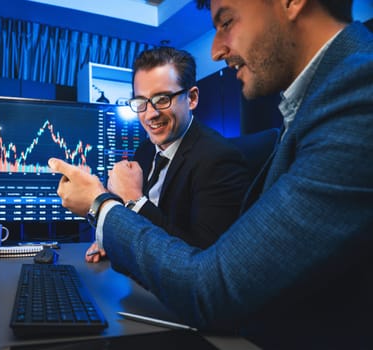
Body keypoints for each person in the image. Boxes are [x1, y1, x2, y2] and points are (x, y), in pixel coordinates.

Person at [49, 0, 373, 348]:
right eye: (141, 102)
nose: (216, 51)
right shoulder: (315, 105)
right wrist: (115, 235)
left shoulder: (358, 94)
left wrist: (104, 207)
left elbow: (211, 284)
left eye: (227, 21)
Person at [85, 47, 250, 262]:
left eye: (162, 99)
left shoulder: (219, 160)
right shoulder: (145, 151)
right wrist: (116, 238)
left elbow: (202, 259)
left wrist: (134, 199)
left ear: (191, 98)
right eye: (141, 102)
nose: (150, 114)